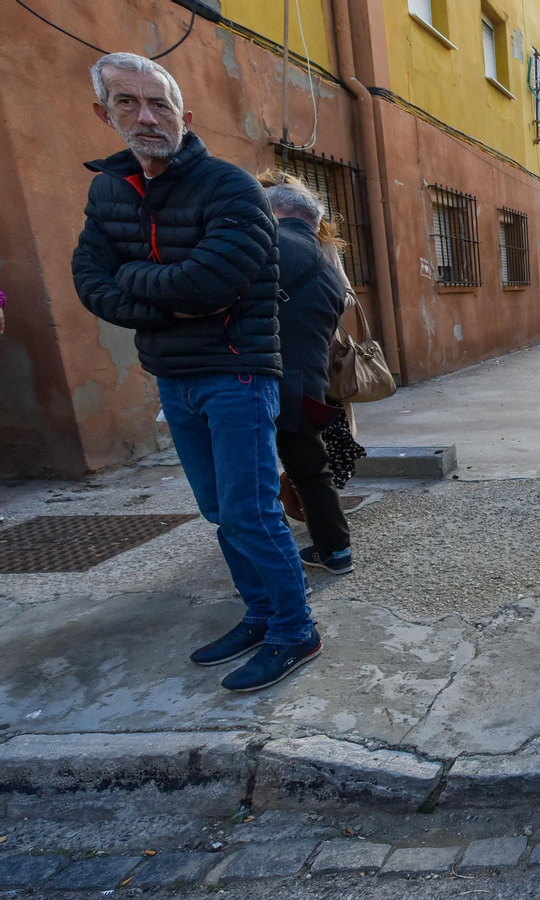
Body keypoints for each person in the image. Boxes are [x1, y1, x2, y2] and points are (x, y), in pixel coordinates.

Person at [72, 53, 319, 691]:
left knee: (251, 511)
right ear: (104, 113)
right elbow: (90, 281)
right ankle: (260, 614)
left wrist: (132, 277)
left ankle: (296, 630)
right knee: (218, 510)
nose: (146, 116)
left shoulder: (230, 187)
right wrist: (163, 296)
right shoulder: (109, 190)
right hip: (173, 376)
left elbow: (210, 285)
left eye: (159, 103)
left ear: (185, 114)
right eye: (127, 102)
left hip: (237, 373)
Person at [255, 173, 358, 576]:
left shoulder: (263, 246)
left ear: (274, 210)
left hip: (256, 382)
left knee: (251, 478)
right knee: (313, 471)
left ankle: (271, 566)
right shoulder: (328, 267)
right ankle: (335, 551)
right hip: (309, 385)